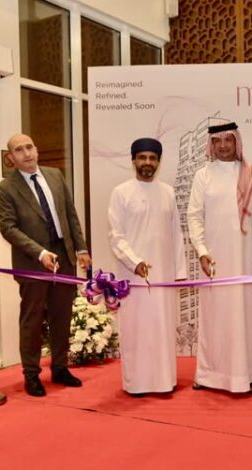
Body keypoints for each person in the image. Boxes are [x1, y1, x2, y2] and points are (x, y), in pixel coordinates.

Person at [0, 133, 92, 397]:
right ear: (11, 158)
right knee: (33, 320)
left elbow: (70, 214)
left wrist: (81, 248)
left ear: (36, 150)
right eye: (19, 150)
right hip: (32, 262)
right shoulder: (5, 189)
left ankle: (60, 368)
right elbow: (8, 228)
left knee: (62, 316)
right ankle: (31, 375)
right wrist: (40, 253)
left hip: (64, 256)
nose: (26, 153)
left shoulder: (55, 175)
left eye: (29, 147)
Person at [187, 121, 252, 394]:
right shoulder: (203, 176)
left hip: (244, 259)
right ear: (211, 145)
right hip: (214, 261)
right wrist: (202, 251)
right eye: (217, 141)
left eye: (228, 140)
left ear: (236, 142)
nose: (223, 146)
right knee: (215, 319)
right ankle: (209, 376)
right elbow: (194, 216)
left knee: (243, 317)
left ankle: (246, 375)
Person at [108, 137, 187, 396]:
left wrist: (179, 273)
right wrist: (135, 261)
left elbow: (176, 234)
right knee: (136, 330)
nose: (147, 162)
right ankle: (137, 383)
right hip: (133, 277)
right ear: (133, 160)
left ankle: (165, 381)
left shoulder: (168, 192)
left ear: (158, 162)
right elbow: (116, 236)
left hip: (162, 275)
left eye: (152, 158)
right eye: (142, 157)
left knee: (162, 328)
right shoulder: (121, 192)